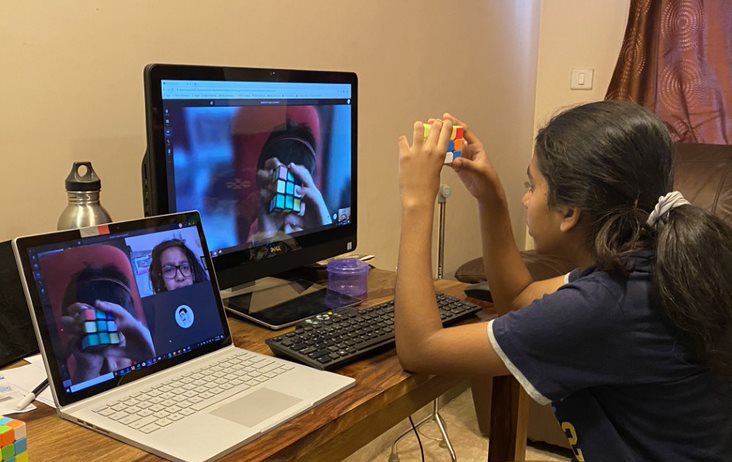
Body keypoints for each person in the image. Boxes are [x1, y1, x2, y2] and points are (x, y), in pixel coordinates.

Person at [395, 101, 732, 461]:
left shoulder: (603, 306)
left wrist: (417, 203)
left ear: (569, 212)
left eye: (532, 186)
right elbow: (519, 297)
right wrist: (489, 196)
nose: (526, 199)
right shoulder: (643, 264)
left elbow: (420, 348)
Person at [61, 265, 155, 382]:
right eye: (103, 364)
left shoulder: (143, 351)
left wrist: (152, 356)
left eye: (119, 358)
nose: (111, 369)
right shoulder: (71, 364)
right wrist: (88, 369)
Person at [248, 122, 333, 245]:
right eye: (280, 220)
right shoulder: (258, 230)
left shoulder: (316, 221)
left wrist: (324, 228)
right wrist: (268, 235)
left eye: (293, 225)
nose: (286, 231)